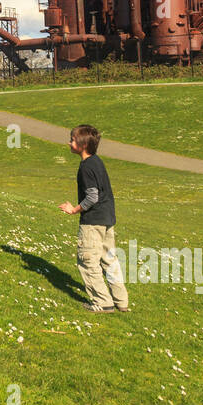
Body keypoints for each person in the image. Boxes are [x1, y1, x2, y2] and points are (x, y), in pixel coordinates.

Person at [58, 124, 130, 314]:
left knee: (88, 261)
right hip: (107, 219)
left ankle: (103, 302)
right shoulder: (97, 162)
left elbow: (92, 197)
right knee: (109, 260)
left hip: (93, 222)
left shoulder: (86, 168)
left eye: (72, 139)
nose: (69, 142)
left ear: (82, 145)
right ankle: (121, 301)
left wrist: (74, 210)